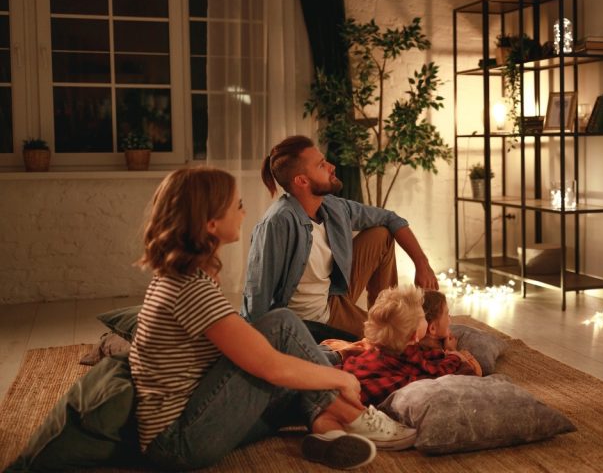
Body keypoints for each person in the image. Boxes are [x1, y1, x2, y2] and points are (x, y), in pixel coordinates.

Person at [129, 167, 417, 471]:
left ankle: (327, 432)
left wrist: (323, 361)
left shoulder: (183, 278)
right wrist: (343, 378)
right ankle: (356, 417)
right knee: (281, 326)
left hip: (198, 419)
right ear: (211, 224)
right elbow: (271, 365)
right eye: (238, 205)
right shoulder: (189, 288)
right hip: (179, 442)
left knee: (299, 378)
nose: (244, 212)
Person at [242, 135, 439, 340]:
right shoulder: (278, 223)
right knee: (398, 340)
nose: (331, 166)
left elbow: (391, 218)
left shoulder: (332, 206)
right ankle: (385, 332)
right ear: (302, 181)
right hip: (312, 318)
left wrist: (422, 264)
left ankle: (387, 314)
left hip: (333, 293)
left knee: (381, 234)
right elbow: (256, 295)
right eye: (321, 165)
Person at [342, 287, 472, 406]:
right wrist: (453, 355)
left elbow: (425, 358)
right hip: (361, 394)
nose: (425, 319)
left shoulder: (384, 346)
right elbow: (437, 372)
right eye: (423, 318)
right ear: (414, 335)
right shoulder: (410, 358)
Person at [420, 290, 482, 376]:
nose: (450, 317)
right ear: (433, 328)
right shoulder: (436, 356)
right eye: (446, 314)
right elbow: (476, 373)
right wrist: (453, 350)